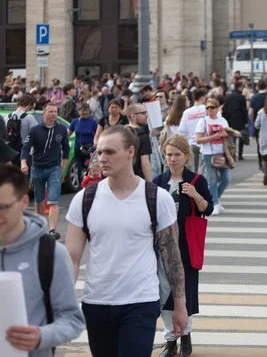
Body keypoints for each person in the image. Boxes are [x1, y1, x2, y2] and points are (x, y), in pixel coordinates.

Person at [65, 125, 188, 356]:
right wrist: (64, 302)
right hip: (96, 303)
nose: (102, 158)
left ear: (131, 152)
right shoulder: (84, 199)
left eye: (110, 152)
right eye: (99, 152)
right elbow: (71, 258)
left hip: (140, 302)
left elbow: (172, 258)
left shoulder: (156, 198)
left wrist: (180, 307)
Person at [0, 165, 86, 356]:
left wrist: (41, 336)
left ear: (23, 202)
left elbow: (73, 320)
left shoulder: (49, 253)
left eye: (3, 207)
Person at [153, 135, 214, 357]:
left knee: (184, 293)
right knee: (164, 295)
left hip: (186, 247)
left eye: (177, 155)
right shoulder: (159, 181)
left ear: (186, 156)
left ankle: (186, 336)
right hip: (161, 248)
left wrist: (196, 196)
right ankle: (170, 341)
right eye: (169, 155)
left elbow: (207, 209)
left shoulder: (197, 180)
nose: (172, 159)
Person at [20, 104, 69, 240]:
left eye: (55, 112)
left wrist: (63, 165)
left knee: (53, 200)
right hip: (37, 168)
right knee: (39, 199)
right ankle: (41, 228)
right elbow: (26, 148)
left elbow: (66, 148)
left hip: (54, 168)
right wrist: (24, 163)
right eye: (51, 111)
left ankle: (52, 230)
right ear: (44, 113)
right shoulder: (35, 130)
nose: (54, 114)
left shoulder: (61, 129)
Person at [195, 98, 231, 215]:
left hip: (222, 153)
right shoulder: (203, 121)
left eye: (212, 107)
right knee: (212, 180)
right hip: (208, 153)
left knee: (226, 179)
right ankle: (214, 203)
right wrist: (212, 138)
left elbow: (228, 135)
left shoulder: (223, 120)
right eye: (207, 107)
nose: (209, 109)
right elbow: (198, 140)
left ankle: (215, 198)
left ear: (217, 109)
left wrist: (225, 134)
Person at [179, 88, 207, 173]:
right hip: (204, 142)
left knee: (193, 171)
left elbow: (182, 129)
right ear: (202, 98)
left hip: (191, 143)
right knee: (203, 171)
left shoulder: (187, 112)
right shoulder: (206, 109)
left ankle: (194, 185)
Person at [4, 94, 38, 165]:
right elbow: (36, 135)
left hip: (9, 153)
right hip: (25, 153)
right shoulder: (29, 118)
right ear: (29, 104)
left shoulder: (6, 117)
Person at [68, 103, 99, 179]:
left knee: (90, 168)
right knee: (79, 168)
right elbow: (68, 134)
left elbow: (97, 135)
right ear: (79, 111)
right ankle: (81, 186)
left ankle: (90, 184)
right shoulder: (75, 122)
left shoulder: (93, 122)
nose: (85, 112)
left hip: (90, 148)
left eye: (86, 110)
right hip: (78, 148)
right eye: (82, 110)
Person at [126, 103, 153, 181]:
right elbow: (145, 164)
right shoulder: (143, 136)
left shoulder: (120, 133)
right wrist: (150, 185)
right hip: (136, 180)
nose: (146, 115)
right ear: (133, 116)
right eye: (143, 113)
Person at [222, 81, 248, 160]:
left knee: (232, 137)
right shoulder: (242, 97)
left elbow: (225, 109)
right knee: (241, 137)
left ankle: (233, 153)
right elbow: (244, 110)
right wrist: (246, 121)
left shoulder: (228, 97)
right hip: (240, 119)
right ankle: (240, 154)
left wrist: (225, 120)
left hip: (230, 119)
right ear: (239, 87)